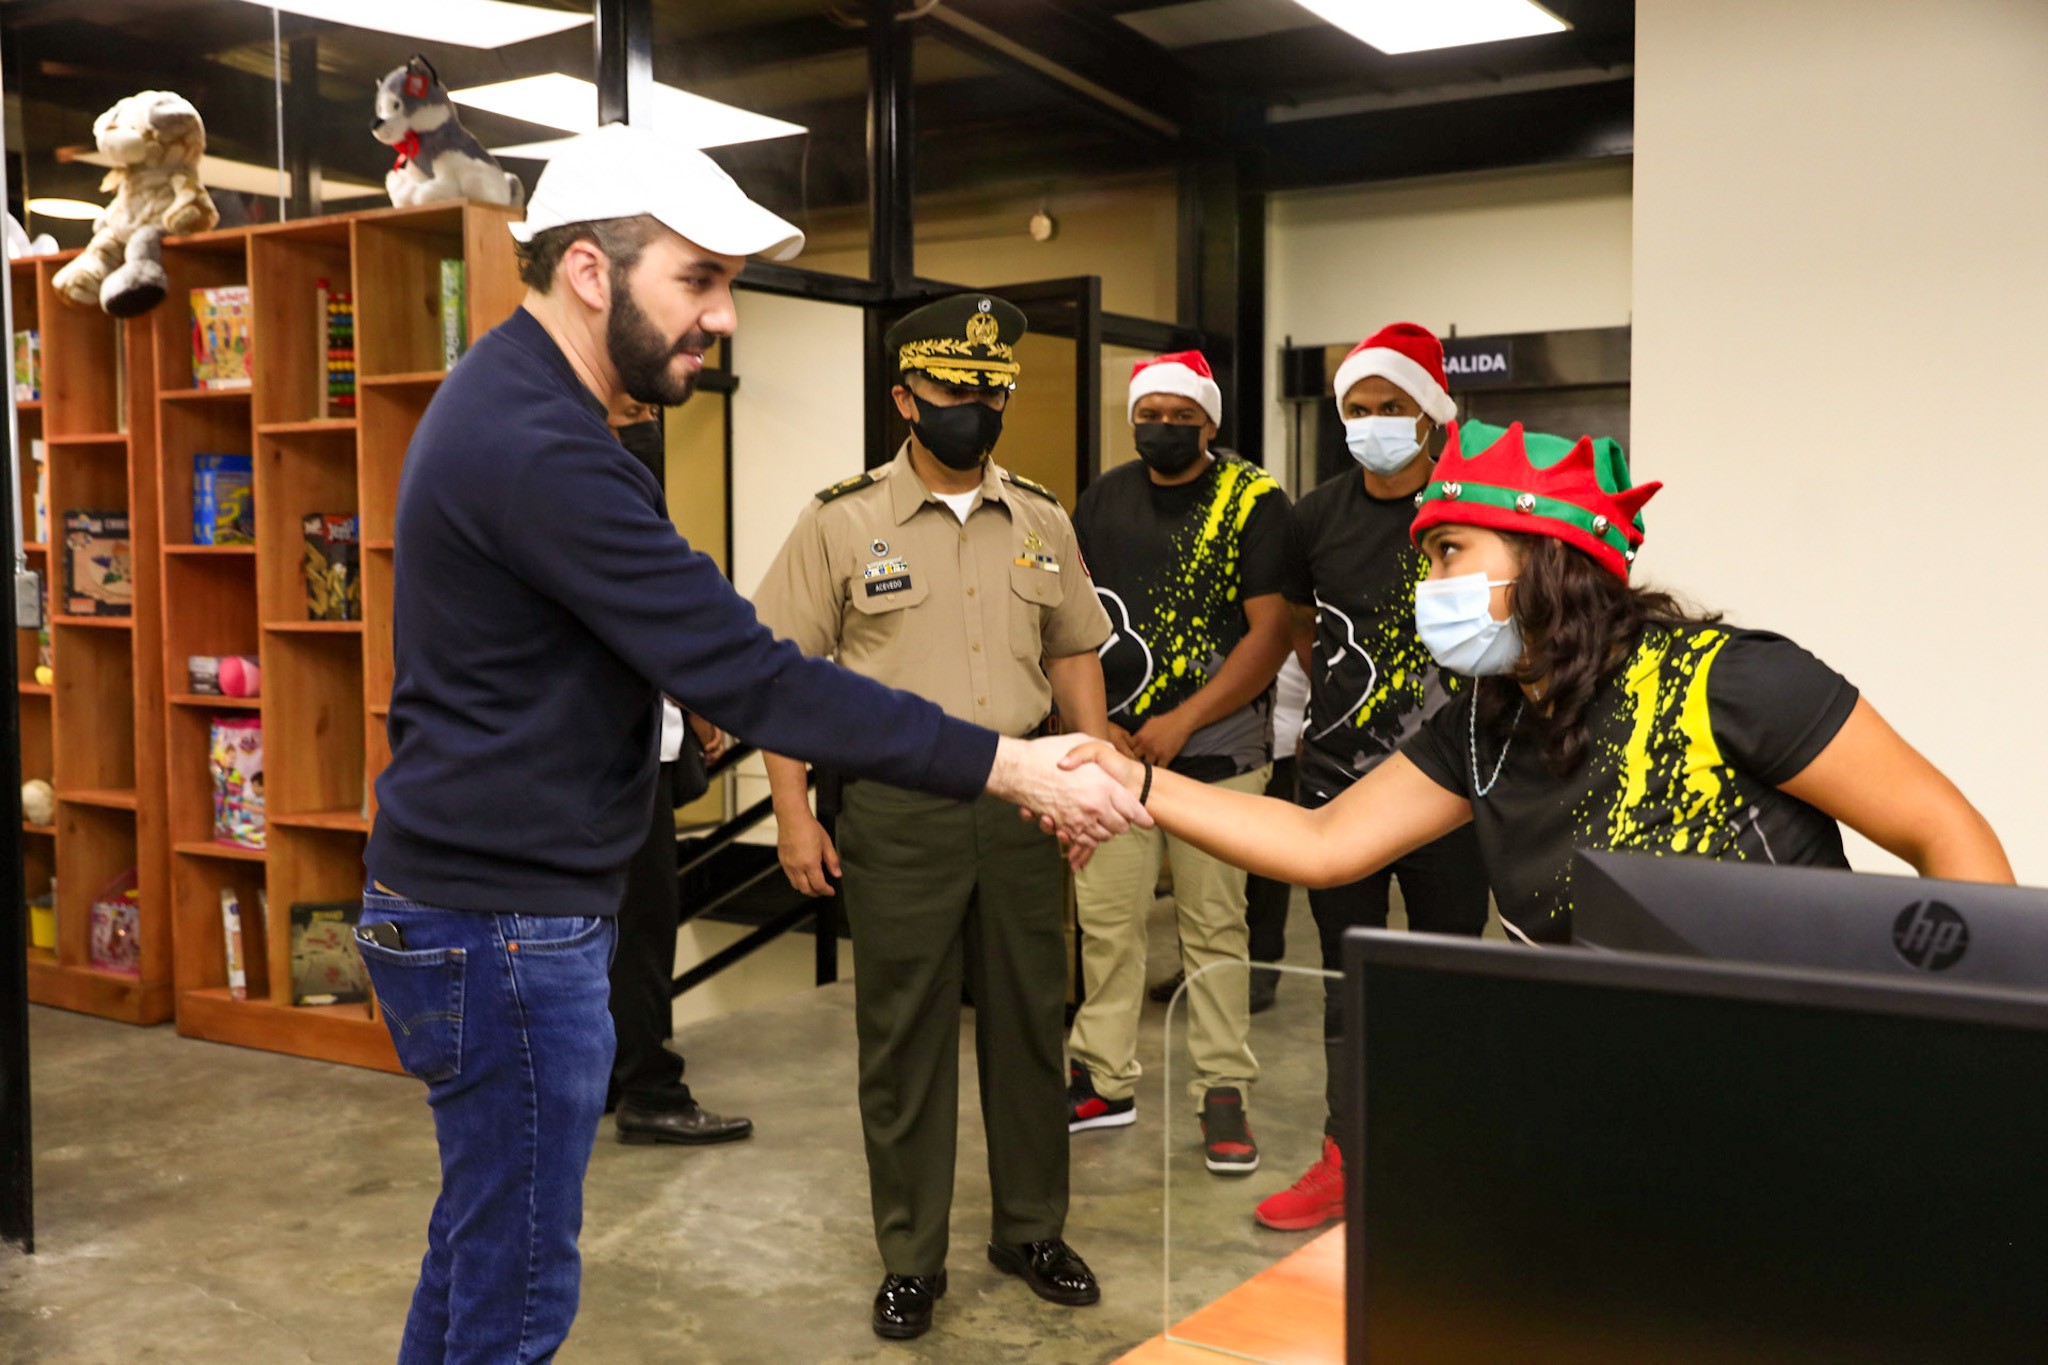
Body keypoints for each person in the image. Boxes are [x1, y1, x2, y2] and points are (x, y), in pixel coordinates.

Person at [354, 127, 1146, 1365]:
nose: (722, 318)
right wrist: (1010, 765)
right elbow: (759, 672)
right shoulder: (540, 443)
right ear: (588, 271)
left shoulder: (531, 409)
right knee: (514, 1290)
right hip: (502, 922)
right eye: (698, 280)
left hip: (488, 902)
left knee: (481, 1247)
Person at [1054, 417, 2012, 1031]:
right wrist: (1135, 781)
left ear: (1549, 559)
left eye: (1448, 552)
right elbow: (1322, 841)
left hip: (1800, 1067)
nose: (1426, 583)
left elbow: (1945, 830)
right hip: (1617, 1086)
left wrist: (1976, 1041)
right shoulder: (1483, 727)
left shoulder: (1729, 680)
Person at [752, 293, 1115, 1342]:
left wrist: (1089, 779)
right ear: (905, 398)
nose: (977, 408)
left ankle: (1031, 1229)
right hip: (897, 812)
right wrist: (792, 812)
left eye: (992, 391)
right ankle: (911, 1256)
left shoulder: (1040, 517)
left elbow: (1072, 654)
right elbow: (783, 678)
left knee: (1030, 1022)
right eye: (955, 390)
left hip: (1023, 804)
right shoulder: (840, 520)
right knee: (903, 1035)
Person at [1260, 323, 1493, 1232]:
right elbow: (1301, 625)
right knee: (1346, 982)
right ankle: (1346, 1155)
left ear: (1432, 414)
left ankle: (1440, 1155)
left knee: (1445, 977)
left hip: (1451, 791)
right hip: (1338, 786)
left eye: (1391, 406)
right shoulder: (1314, 516)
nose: (1371, 424)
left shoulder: (1467, 507)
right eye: (1356, 409)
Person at [1064, 351, 1292, 1176]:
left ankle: (1223, 1088)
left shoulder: (1253, 501)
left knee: (1215, 927)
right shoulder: (1103, 498)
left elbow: (1270, 634)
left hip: (1218, 758)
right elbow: (1071, 623)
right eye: (1148, 415)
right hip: (1113, 757)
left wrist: (1179, 723)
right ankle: (1102, 1077)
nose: (1162, 428)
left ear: (1210, 422)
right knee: (1107, 922)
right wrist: (1099, 731)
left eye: (1180, 416)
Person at [602, 398, 752, 1146]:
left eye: (647, 415)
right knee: (637, 930)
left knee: (630, 926)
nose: (646, 430)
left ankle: (616, 1073)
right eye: (628, 412)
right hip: (612, 762)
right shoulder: (597, 510)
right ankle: (649, 1091)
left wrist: (692, 704)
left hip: (634, 754)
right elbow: (645, 621)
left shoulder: (630, 510)